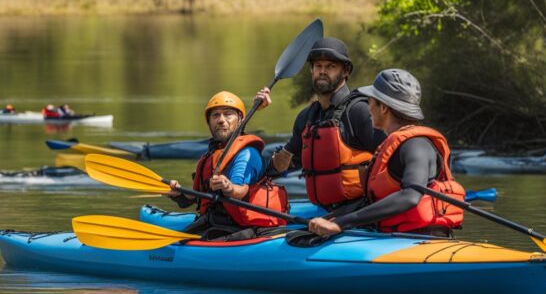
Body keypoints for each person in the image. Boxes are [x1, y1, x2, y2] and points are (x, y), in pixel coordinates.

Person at [307, 69, 466, 238]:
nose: (368, 108)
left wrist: (341, 224)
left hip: (424, 240)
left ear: (383, 107)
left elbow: (410, 196)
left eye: (370, 102)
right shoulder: (393, 144)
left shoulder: (416, 145)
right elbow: (370, 202)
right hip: (397, 237)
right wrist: (331, 218)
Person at [255, 37, 386, 211]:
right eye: (318, 66)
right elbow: (285, 163)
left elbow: (389, 157)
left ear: (345, 71)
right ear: (312, 70)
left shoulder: (358, 111)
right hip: (323, 210)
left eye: (330, 66)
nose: (323, 71)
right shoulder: (307, 117)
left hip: (360, 211)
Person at [168, 91, 289, 241]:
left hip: (243, 228)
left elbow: (241, 191)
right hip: (216, 222)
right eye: (215, 115)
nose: (221, 120)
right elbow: (196, 196)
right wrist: (178, 193)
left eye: (228, 114)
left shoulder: (247, 154)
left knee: (183, 243)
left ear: (240, 120)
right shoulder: (211, 154)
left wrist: (228, 187)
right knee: (180, 238)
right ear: (209, 122)